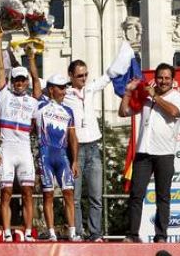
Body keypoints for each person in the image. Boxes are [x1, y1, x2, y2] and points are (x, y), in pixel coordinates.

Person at [118, 63, 180, 243]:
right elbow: (124, 112)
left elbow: (174, 112)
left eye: (167, 78)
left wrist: (155, 96)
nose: (163, 81)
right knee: (136, 194)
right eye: (160, 78)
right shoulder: (146, 97)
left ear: (172, 80)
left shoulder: (178, 97)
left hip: (164, 153)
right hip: (143, 152)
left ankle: (161, 236)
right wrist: (128, 92)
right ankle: (132, 235)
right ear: (155, 78)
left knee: (163, 196)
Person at [0, 38, 41, 242]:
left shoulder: (32, 101)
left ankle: (28, 231)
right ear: (12, 82)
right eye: (17, 80)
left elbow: (37, 81)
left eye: (23, 80)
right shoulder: (4, 95)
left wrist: (31, 58)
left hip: (24, 150)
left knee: (28, 192)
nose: (20, 83)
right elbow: (0, 67)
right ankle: (5, 232)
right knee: (5, 193)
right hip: (6, 149)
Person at [62, 58, 110, 242]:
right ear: (71, 76)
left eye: (86, 74)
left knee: (96, 195)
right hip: (75, 150)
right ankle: (78, 233)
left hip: (93, 146)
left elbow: (108, 76)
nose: (84, 78)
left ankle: (95, 233)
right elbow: (41, 85)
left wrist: (127, 54)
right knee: (75, 196)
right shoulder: (64, 93)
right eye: (80, 75)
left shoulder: (90, 89)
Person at [36, 73, 81, 242]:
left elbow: (73, 137)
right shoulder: (40, 104)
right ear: (51, 89)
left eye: (65, 88)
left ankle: (72, 232)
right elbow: (35, 79)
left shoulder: (68, 110)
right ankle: (51, 232)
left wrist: (75, 161)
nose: (64, 91)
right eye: (61, 88)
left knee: (69, 193)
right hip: (45, 154)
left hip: (62, 155)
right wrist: (32, 58)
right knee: (48, 195)